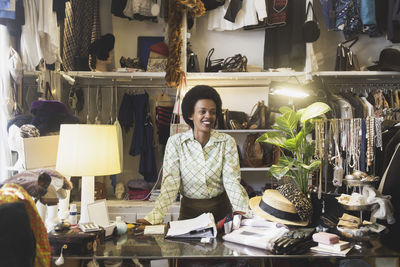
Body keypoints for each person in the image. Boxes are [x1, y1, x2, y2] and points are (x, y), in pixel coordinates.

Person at [138, 85, 250, 226]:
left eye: (213, 112)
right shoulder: (176, 143)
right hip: (188, 216)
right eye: (202, 111)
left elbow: (232, 182)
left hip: (221, 216)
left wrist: (245, 214)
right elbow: (170, 184)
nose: (208, 116)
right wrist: (154, 217)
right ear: (191, 114)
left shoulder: (227, 142)